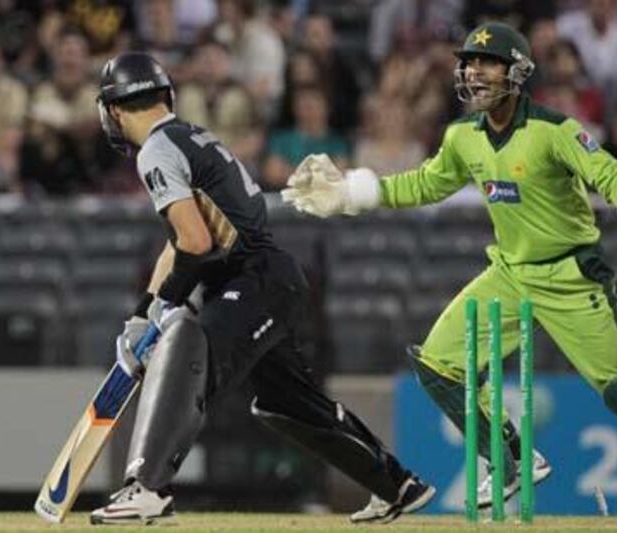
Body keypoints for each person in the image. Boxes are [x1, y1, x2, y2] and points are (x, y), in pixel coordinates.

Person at [281, 22, 617, 524]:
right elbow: (426, 184)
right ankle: (512, 460)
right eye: (469, 63)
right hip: (510, 273)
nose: (473, 71)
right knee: (438, 365)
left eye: (487, 63)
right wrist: (352, 193)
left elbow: (605, 170)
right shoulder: (463, 137)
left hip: (571, 277)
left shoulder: (553, 130)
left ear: (516, 72)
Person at [89, 52, 434, 525]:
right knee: (285, 401)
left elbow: (195, 243)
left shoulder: (155, 150)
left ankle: (147, 488)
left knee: (189, 343)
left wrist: (166, 311)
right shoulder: (187, 137)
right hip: (270, 281)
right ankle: (398, 486)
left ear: (112, 110)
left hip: (252, 281)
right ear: (166, 95)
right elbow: (180, 242)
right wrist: (143, 312)